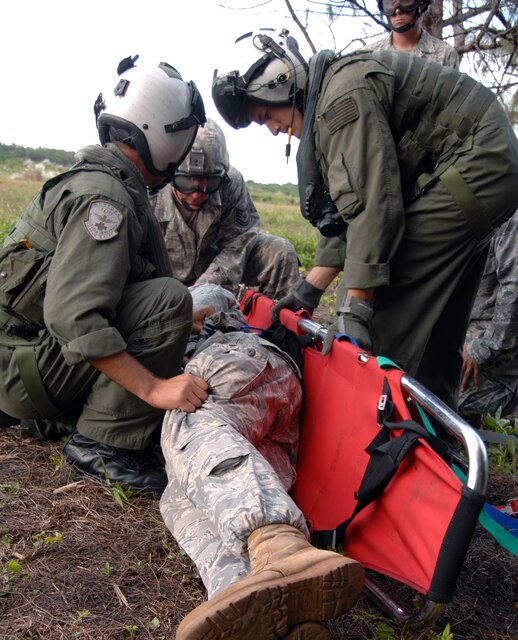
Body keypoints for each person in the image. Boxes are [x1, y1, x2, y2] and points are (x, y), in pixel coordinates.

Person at [211, 29, 518, 411]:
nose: (273, 129)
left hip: (475, 165)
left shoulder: (340, 98)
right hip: (486, 167)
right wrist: (309, 289)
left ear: (281, 84)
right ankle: (432, 427)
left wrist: (357, 307)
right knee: (437, 322)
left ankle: (370, 424)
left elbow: (374, 208)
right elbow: (350, 208)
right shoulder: (332, 94)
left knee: (379, 302)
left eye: (266, 116)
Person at [125, 284, 365, 640]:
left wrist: (169, 324)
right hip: (254, 436)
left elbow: (199, 304)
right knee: (177, 497)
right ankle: (244, 626)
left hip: (243, 364)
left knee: (187, 423)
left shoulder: (204, 302)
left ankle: (281, 545)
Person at [0, 56, 209, 496]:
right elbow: (74, 316)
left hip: (16, 359)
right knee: (168, 300)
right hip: (21, 373)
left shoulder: (101, 181)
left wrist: (173, 329)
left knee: (169, 305)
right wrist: (153, 388)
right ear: (165, 133)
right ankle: (103, 445)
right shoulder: (107, 198)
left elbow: (109, 284)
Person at [151, 117, 300, 298]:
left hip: (216, 270)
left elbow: (238, 242)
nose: (196, 194)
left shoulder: (231, 183)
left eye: (209, 183)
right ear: (169, 174)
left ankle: (274, 316)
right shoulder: (150, 187)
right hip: (162, 282)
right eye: (185, 182)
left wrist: (204, 290)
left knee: (279, 251)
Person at [459, 211, 518, 425]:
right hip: (465, 332)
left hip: (493, 356)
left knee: (434, 407)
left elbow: (515, 292)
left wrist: (482, 350)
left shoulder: (513, 217)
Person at [369, 0, 459, 68]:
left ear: (421, 4)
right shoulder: (369, 55)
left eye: (405, 1)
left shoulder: (445, 54)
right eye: (391, 2)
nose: (397, 11)